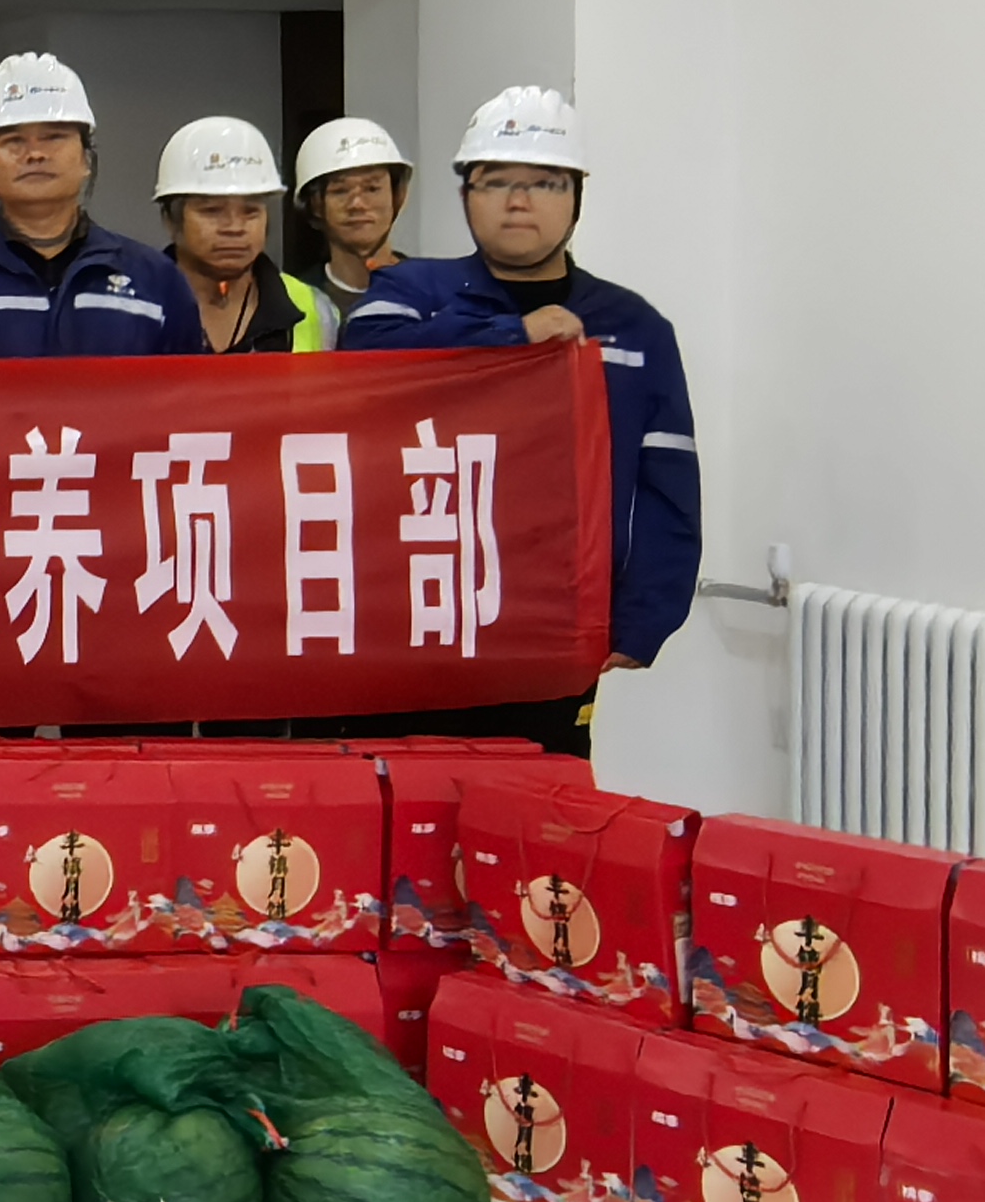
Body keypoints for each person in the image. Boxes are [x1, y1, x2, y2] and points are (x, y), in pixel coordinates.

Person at [341, 87, 700, 746]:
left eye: (544, 182)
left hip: (555, 615)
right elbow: (366, 359)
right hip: (419, 606)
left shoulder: (634, 327)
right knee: (409, 786)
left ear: (576, 197)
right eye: (496, 181)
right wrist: (511, 337)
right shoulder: (412, 292)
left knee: (540, 789)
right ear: (465, 196)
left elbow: (666, 481)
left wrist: (646, 616)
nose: (518, 200)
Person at [0, 53, 202, 358]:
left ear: (86, 159)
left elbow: (186, 391)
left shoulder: (156, 279)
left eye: (54, 137)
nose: (35, 154)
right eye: (13, 140)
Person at [156, 117, 325, 354]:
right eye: (212, 211)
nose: (234, 227)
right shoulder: (132, 303)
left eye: (250, 211)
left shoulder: (314, 308)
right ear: (170, 219)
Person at [290, 116, 413, 345]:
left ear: (398, 196)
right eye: (340, 190)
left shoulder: (432, 293)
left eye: (372, 188)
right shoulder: (291, 304)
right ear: (315, 204)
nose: (357, 204)